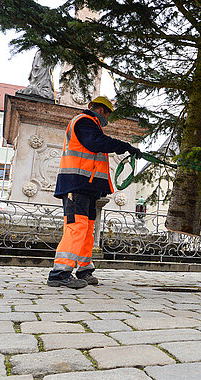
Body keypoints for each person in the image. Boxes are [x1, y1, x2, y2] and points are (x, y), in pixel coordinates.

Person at [47, 96, 142, 289]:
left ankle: (84, 269)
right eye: (107, 114)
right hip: (76, 185)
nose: (107, 119)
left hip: (86, 187)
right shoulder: (84, 122)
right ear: (101, 111)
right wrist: (125, 147)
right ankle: (59, 273)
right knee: (76, 228)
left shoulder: (90, 125)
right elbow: (97, 143)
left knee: (87, 229)